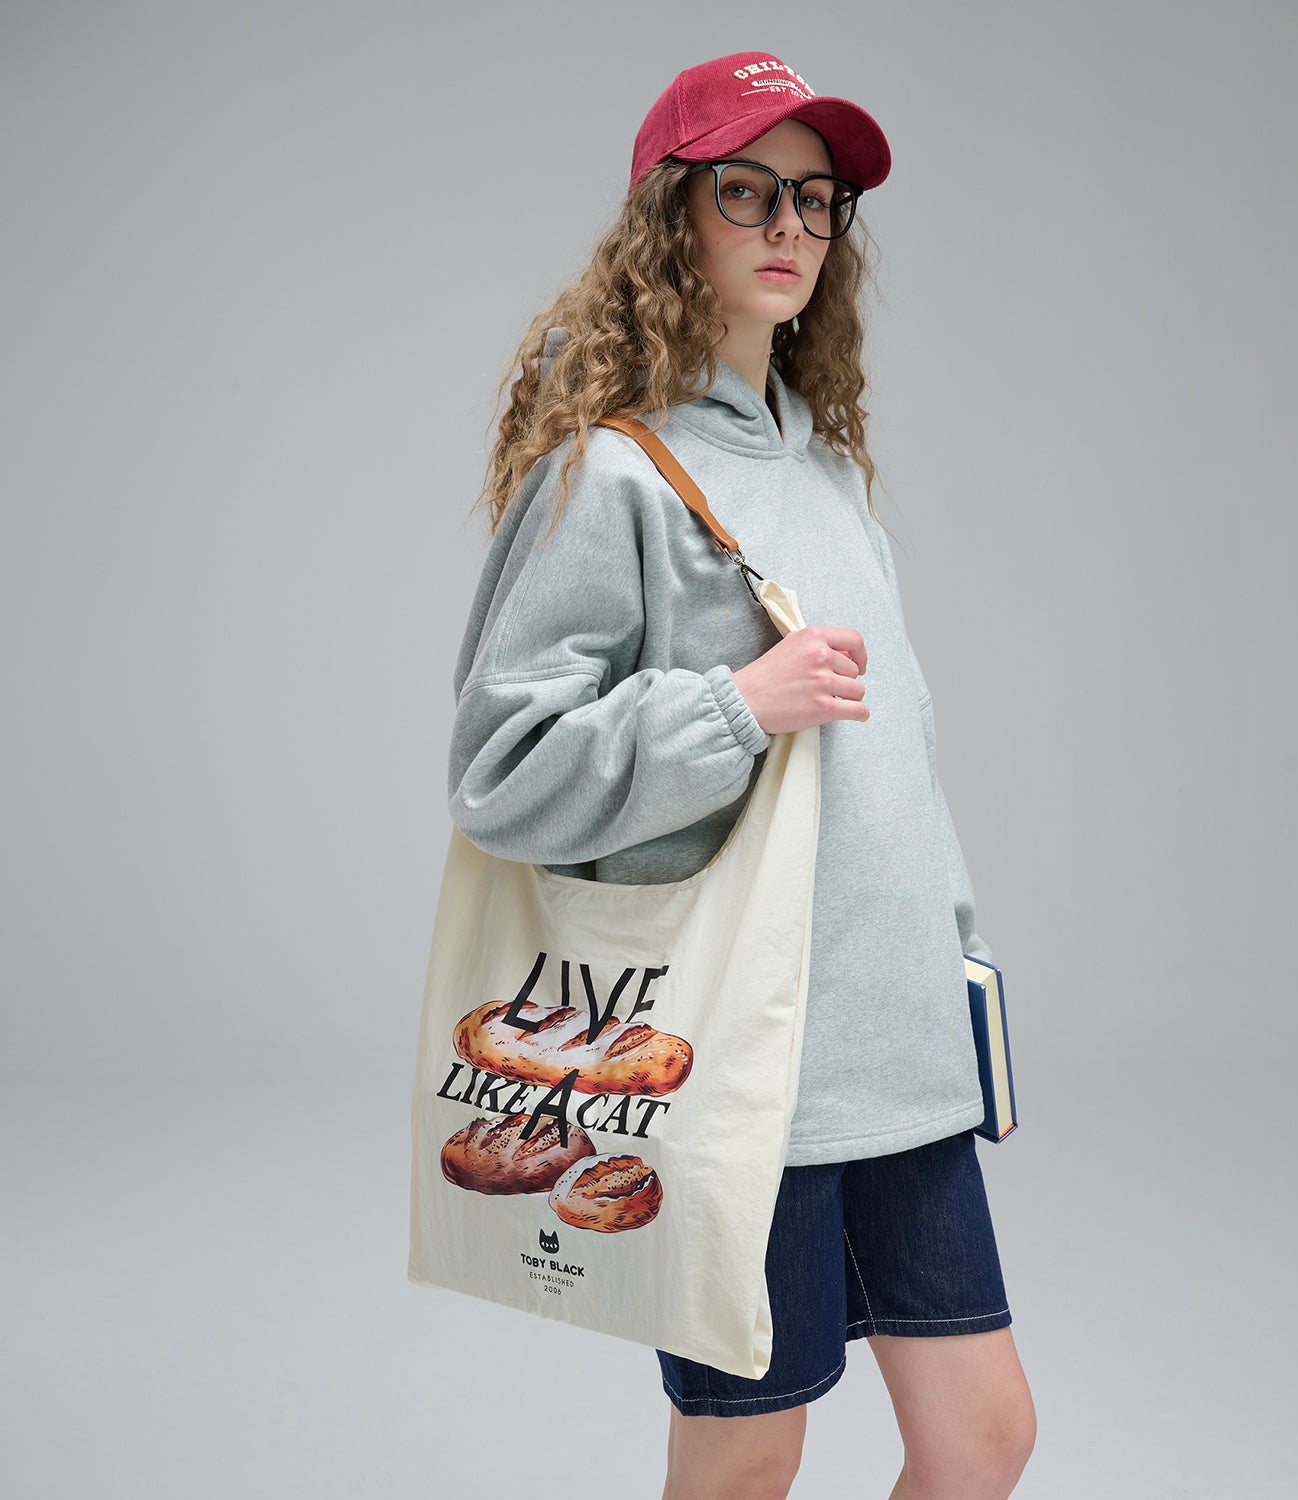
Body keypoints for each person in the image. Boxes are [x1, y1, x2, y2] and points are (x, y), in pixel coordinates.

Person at [448, 51, 1036, 1500]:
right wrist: (733, 707)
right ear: (673, 217)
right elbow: (501, 769)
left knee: (983, 1440)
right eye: (746, 191)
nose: (788, 225)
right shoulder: (613, 475)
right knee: (749, 1456)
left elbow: (896, 763)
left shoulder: (827, 475)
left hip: (899, 1059)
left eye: (816, 200)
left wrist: (958, 966)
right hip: (742, 1074)